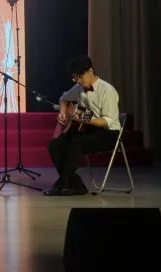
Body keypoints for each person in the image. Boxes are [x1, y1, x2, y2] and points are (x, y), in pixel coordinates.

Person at [44, 55, 121, 196]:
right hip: (87, 129)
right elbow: (63, 98)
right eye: (75, 78)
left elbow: (107, 121)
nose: (78, 81)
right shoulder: (79, 87)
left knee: (76, 142)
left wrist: (83, 117)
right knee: (55, 144)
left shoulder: (107, 91)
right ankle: (74, 184)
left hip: (108, 133)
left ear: (90, 71)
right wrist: (62, 112)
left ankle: (63, 183)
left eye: (80, 77)